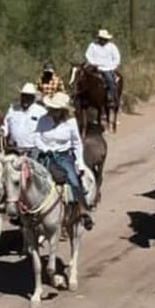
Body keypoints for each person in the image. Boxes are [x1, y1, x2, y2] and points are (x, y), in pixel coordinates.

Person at [34, 92, 93, 230]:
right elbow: (36, 137)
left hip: (64, 156)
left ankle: (83, 210)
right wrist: (45, 148)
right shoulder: (43, 120)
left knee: (73, 179)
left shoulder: (71, 123)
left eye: (56, 109)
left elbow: (77, 143)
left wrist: (80, 162)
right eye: (52, 108)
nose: (53, 111)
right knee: (28, 176)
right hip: (45, 155)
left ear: (62, 110)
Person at [1, 83, 47, 157]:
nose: (25, 99)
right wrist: (3, 130)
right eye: (24, 96)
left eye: (28, 97)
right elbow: (6, 124)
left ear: (33, 98)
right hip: (14, 149)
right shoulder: (13, 109)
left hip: (32, 150)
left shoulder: (41, 112)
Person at [85, 28, 121, 106]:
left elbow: (117, 57)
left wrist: (113, 66)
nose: (103, 40)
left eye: (105, 39)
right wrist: (93, 63)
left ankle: (111, 96)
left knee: (110, 79)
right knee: (81, 75)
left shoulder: (112, 47)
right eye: (102, 39)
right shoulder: (92, 45)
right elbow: (88, 55)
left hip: (107, 67)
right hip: (94, 66)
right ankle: (80, 96)